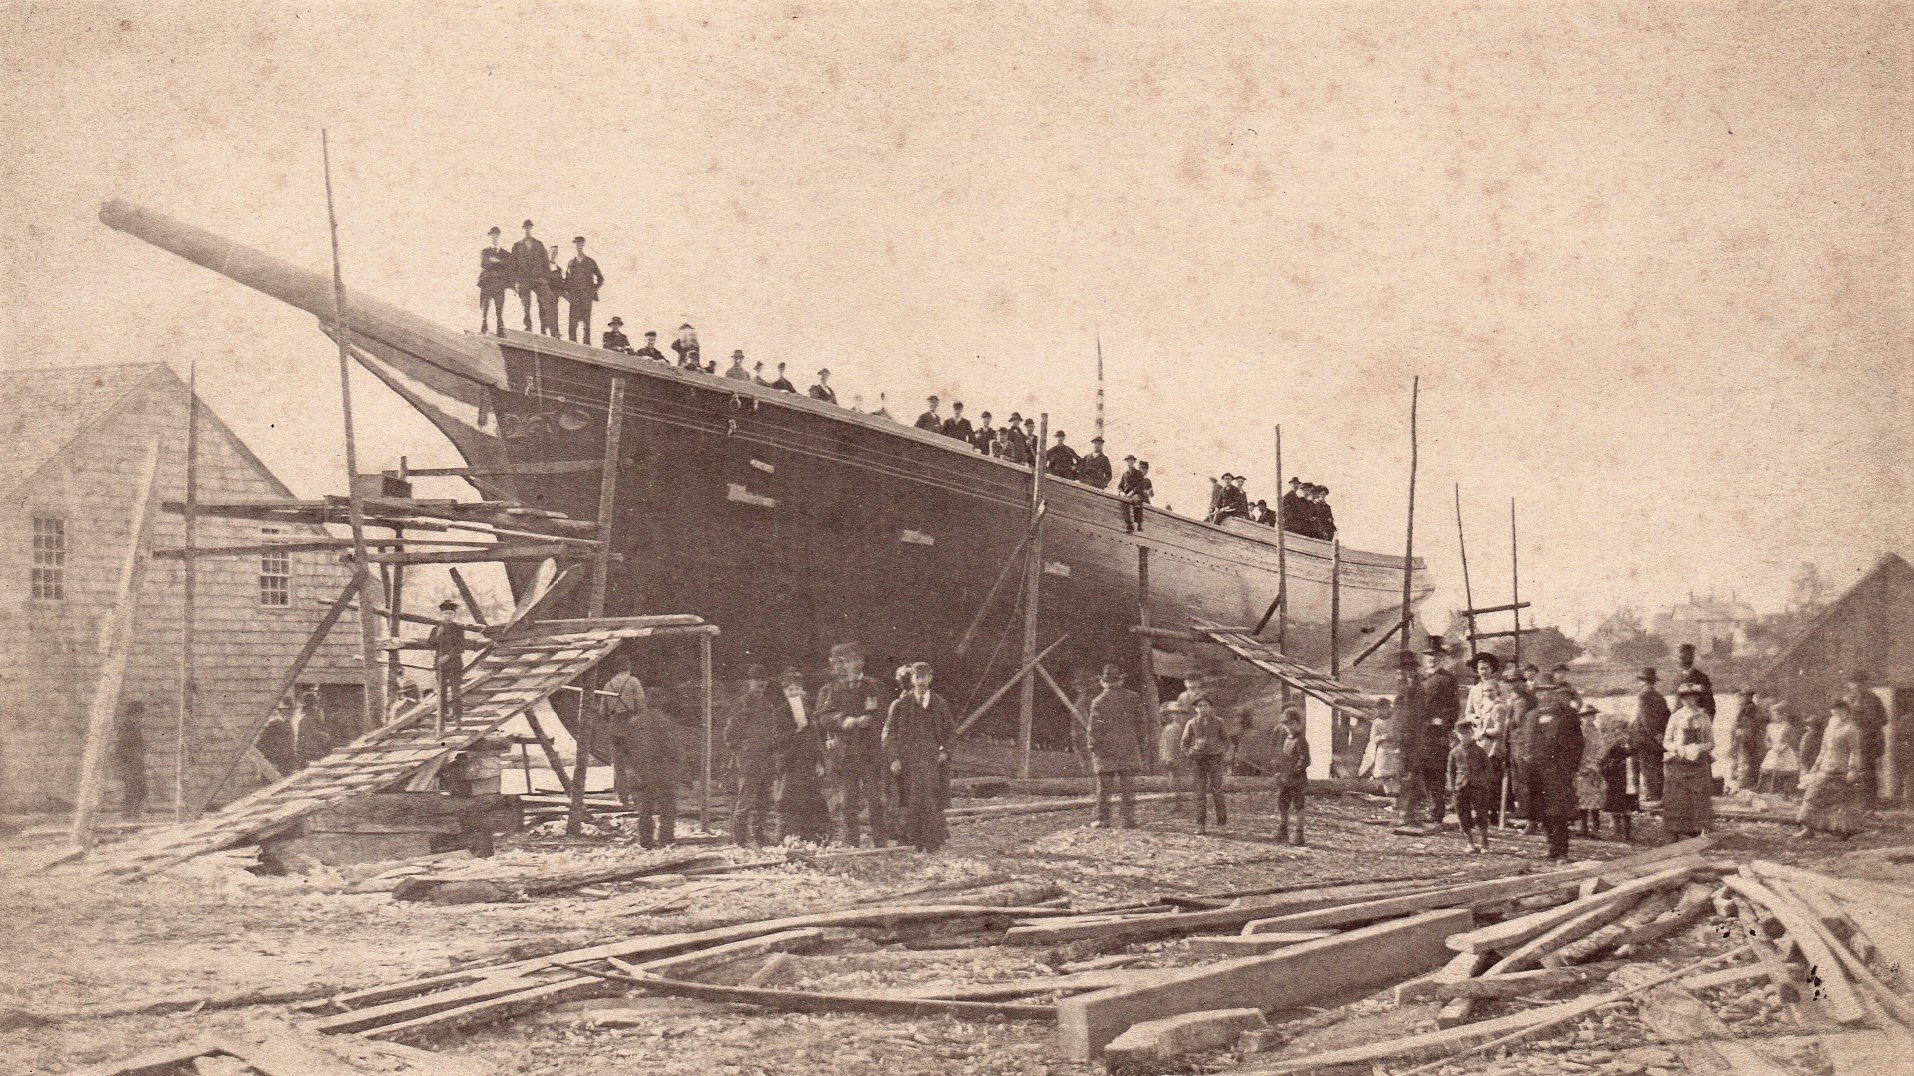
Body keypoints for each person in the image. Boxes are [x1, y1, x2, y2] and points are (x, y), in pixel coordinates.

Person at [814, 641, 890, 846]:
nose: (854, 665)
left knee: (875, 798)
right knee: (849, 800)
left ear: (862, 662)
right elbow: (822, 716)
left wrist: (871, 720)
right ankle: (851, 842)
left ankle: (880, 841)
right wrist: (843, 721)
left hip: (870, 751)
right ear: (842, 664)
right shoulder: (832, 690)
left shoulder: (873, 686)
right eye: (849, 661)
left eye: (858, 660)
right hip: (846, 752)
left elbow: (886, 713)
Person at [884, 662, 953, 852]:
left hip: (932, 759)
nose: (921, 681)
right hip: (909, 760)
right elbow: (890, 735)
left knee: (931, 798)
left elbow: (949, 733)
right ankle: (910, 839)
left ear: (931, 678)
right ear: (912, 679)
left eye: (925, 677)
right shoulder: (901, 705)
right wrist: (894, 758)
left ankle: (932, 841)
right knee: (910, 798)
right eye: (917, 677)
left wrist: (944, 751)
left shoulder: (939, 703)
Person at [725, 665, 784, 846]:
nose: (761, 684)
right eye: (756, 680)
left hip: (766, 759)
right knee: (745, 801)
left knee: (764, 801)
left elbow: (773, 732)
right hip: (749, 759)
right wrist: (741, 754)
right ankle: (740, 841)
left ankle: (759, 836)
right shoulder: (742, 704)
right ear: (749, 682)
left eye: (763, 680)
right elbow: (730, 734)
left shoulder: (767, 705)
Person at [621, 675, 679, 850]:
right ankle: (666, 840)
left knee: (645, 808)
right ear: (661, 702)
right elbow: (673, 749)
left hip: (642, 771)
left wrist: (632, 769)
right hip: (662, 771)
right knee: (667, 807)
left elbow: (626, 748)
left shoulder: (634, 722)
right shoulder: (666, 722)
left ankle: (645, 841)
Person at [1528, 683, 1584, 859]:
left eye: (1548, 691)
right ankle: (1551, 847)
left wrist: (1570, 768)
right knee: (1542, 809)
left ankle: (1562, 850)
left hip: (1558, 770)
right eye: (1540, 691)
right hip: (1536, 770)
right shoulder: (1533, 715)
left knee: (1558, 810)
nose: (1544, 695)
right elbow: (1528, 743)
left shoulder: (1568, 715)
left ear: (1554, 693)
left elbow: (1577, 744)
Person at [777, 667, 832, 844]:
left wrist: (820, 761)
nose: (794, 693)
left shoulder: (807, 712)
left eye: (796, 689)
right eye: (789, 689)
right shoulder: (780, 713)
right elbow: (778, 740)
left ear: (802, 690)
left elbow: (815, 737)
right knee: (790, 800)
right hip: (791, 763)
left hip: (808, 762)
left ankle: (813, 837)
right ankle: (788, 838)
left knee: (813, 800)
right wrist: (796, 731)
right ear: (785, 692)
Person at [1796, 700, 1866, 839]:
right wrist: (1815, 766)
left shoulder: (1851, 729)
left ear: (1846, 712)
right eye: (1834, 711)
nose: (1836, 714)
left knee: (1841, 802)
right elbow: (1823, 749)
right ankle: (1808, 828)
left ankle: (1842, 831)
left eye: (1840, 711)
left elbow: (1854, 751)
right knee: (1813, 796)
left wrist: (1852, 769)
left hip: (1841, 770)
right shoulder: (1830, 727)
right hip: (1825, 768)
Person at [1089, 664, 1148, 829]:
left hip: (1106, 749)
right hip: (1128, 747)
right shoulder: (1133, 697)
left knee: (1104, 787)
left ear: (1103, 682)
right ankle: (1128, 819)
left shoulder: (1098, 701)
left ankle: (1103, 819)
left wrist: (1094, 747)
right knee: (1128, 786)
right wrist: (1140, 744)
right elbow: (1141, 724)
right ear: (1121, 680)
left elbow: (1094, 727)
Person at [1661, 682, 1715, 840]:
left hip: (1698, 763)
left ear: (1696, 698)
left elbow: (1711, 743)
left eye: (1691, 697)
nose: (1688, 701)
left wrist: (1699, 748)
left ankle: (1696, 830)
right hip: (1679, 762)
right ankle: (1674, 830)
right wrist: (1678, 748)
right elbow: (1666, 742)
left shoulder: (1703, 717)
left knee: (1697, 798)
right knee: (1678, 797)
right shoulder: (1675, 717)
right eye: (1684, 698)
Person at [1416, 639, 1460, 823]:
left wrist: (1442, 723)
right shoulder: (1420, 679)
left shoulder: (1447, 679)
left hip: (1436, 733)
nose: (1431, 659)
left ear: (1441, 657)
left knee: (1436, 771)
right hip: (1420, 733)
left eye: (1435, 656)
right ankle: (1431, 806)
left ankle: (1436, 811)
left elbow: (1453, 707)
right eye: (1428, 656)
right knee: (1424, 770)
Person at [600, 651, 649, 807]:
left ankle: (622, 798)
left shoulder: (608, 685)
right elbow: (641, 706)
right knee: (635, 761)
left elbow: (602, 712)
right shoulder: (633, 682)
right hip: (631, 725)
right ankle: (637, 797)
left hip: (615, 726)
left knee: (618, 764)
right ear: (629, 666)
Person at [1177, 695, 1230, 833]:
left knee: (1217, 791)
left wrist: (1221, 752)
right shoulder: (1191, 723)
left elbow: (1226, 741)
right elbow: (1184, 742)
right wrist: (1189, 753)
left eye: (1205, 706)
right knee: (1199, 793)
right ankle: (1200, 825)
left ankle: (1222, 825)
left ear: (1210, 707)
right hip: (1198, 761)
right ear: (1195, 709)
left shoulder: (1218, 722)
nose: (1203, 709)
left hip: (1214, 760)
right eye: (1200, 706)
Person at [1393, 650, 1432, 824]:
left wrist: (1405, 734)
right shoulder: (1405, 687)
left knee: (1411, 774)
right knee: (1405, 774)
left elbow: (1415, 714)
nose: (1400, 672)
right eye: (1401, 669)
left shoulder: (1415, 688)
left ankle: (1408, 813)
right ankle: (1406, 812)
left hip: (1412, 737)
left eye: (1404, 669)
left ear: (1411, 671)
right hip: (1404, 736)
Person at [1447, 717, 1492, 853]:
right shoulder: (1454, 752)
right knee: (1463, 814)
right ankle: (1469, 842)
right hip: (1461, 786)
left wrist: (1484, 783)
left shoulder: (1479, 751)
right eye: (1461, 734)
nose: (1464, 736)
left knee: (1481, 814)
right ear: (1457, 735)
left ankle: (1484, 842)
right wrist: (1453, 786)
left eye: (1467, 733)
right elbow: (1451, 771)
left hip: (1478, 786)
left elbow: (1488, 769)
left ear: (1472, 733)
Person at [1842, 672, 1889, 803]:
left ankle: (1869, 802)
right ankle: (1851, 801)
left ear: (1865, 684)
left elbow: (1884, 720)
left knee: (1867, 771)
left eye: (1860, 683)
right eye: (1853, 683)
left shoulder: (1873, 699)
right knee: (1848, 769)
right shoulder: (1846, 699)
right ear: (1849, 685)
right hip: (1849, 740)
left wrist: (1864, 724)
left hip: (1868, 741)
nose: (1856, 686)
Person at [1633, 667, 1671, 805]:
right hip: (1658, 737)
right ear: (1654, 682)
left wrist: (1654, 735)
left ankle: (1653, 797)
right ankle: (1657, 796)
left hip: (1645, 737)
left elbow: (1645, 719)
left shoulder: (1642, 695)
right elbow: (1667, 716)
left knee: (1648, 768)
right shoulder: (1660, 697)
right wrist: (1662, 735)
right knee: (1656, 767)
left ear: (1643, 681)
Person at [1599, 708, 1638, 842]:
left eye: (1626, 733)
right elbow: (1603, 764)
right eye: (1620, 733)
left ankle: (1627, 834)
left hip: (1630, 782)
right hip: (1616, 782)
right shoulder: (1614, 748)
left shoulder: (1633, 747)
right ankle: (1617, 831)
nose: (1623, 736)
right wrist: (1612, 768)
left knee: (1628, 808)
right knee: (1616, 808)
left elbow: (1637, 762)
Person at [1274, 707, 1310, 846]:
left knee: (1298, 805)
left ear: (1298, 724)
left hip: (1297, 780)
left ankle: (1299, 833)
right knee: (1282, 804)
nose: (1289, 727)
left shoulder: (1301, 740)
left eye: (1291, 724)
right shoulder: (1287, 739)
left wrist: (1295, 770)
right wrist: (1279, 770)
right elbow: (1283, 758)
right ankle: (1283, 830)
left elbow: (1305, 760)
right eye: (1286, 724)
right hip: (1285, 779)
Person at [428, 598, 467, 728]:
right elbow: (430, 644)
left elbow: (461, 647)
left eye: (450, 613)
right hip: (441, 666)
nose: (448, 616)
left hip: (454, 665)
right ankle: (442, 721)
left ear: (454, 615)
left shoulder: (458, 629)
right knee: (442, 693)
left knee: (456, 693)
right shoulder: (436, 629)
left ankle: (458, 720)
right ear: (442, 614)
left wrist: (448, 656)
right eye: (446, 613)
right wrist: (437, 636)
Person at [1574, 703, 1608, 837]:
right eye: (1586, 716)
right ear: (1582, 717)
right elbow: (1575, 750)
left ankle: (1596, 828)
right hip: (1581, 767)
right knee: (1582, 798)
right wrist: (1581, 764)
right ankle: (1583, 827)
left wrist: (1595, 762)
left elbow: (1601, 749)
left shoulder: (1597, 732)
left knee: (1595, 799)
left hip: (1593, 767)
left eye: (1591, 716)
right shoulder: (1579, 731)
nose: (1589, 718)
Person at [1757, 700, 1802, 796]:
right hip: (1774, 750)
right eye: (1773, 714)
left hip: (1784, 751)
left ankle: (1785, 792)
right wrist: (1771, 747)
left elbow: (1791, 740)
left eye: (1776, 714)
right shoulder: (1770, 726)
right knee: (1766, 769)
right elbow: (1767, 740)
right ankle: (1764, 790)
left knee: (1784, 771)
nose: (1774, 716)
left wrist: (1782, 748)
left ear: (1781, 715)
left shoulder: (1787, 726)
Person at [563, 236, 603, 344]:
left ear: (583, 245)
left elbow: (600, 278)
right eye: (577, 244)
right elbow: (567, 280)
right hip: (575, 297)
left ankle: (586, 345)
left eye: (580, 244)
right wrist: (567, 293)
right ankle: (572, 344)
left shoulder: (590, 262)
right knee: (572, 324)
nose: (578, 247)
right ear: (574, 246)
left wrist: (592, 290)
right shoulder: (571, 263)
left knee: (586, 324)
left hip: (586, 296)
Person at [511, 220, 546, 332]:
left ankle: (543, 329)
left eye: (529, 227)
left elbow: (545, 262)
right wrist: (515, 281)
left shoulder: (539, 244)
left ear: (531, 228)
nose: (527, 229)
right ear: (523, 229)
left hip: (537, 279)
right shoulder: (517, 246)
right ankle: (528, 327)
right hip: (523, 279)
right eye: (526, 227)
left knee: (543, 302)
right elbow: (513, 264)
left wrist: (545, 278)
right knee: (526, 304)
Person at [1158, 699, 1192, 813]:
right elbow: (1165, 744)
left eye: (1175, 713)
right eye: (1169, 714)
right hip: (1168, 756)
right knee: (1171, 779)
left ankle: (1177, 802)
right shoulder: (1169, 727)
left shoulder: (1175, 728)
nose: (1172, 715)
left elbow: (1173, 745)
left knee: (1174, 780)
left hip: (1172, 757)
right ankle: (1175, 801)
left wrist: (1170, 758)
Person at [115, 701, 148, 816]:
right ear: (131, 715)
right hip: (129, 764)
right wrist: (132, 758)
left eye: (140, 716)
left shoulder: (135, 728)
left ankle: (135, 812)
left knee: (141, 789)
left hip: (136, 764)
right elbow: (121, 748)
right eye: (138, 716)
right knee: (132, 789)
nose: (140, 718)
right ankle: (128, 813)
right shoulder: (126, 729)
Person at [1731, 689, 1767, 793]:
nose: (1741, 698)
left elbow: (1748, 724)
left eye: (1744, 696)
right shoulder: (1748, 708)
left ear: (1749, 697)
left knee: (1747, 760)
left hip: (1748, 738)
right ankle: (1747, 782)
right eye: (1742, 696)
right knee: (1749, 760)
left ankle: (1745, 782)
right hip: (1748, 738)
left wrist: (1739, 732)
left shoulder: (1748, 708)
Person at [478, 226, 511, 336]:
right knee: (485, 306)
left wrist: (495, 260)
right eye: (492, 235)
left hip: (499, 284)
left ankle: (500, 331)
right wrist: (499, 262)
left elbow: (507, 265)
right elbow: (484, 263)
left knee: (499, 309)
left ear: (499, 236)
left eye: (496, 234)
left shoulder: (505, 253)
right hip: (487, 282)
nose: (494, 237)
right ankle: (484, 327)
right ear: (490, 236)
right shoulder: (485, 251)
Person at [1672, 644, 1716, 718]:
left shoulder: (1702, 678)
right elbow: (1677, 703)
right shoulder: (1677, 679)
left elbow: (1710, 706)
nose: (1681, 659)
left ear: (1691, 658)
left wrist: (1706, 724)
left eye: (1685, 656)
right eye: (1680, 657)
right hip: (1680, 722)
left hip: (1698, 721)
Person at [1117, 455, 1151, 533]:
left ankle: (1139, 523)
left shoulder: (1138, 473)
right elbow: (1119, 486)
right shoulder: (1125, 474)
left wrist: (1131, 493)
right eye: (1128, 461)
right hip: (1125, 494)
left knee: (1137, 500)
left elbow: (1140, 486)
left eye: (1131, 461)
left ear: (1134, 462)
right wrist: (1121, 492)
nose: (1130, 463)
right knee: (1124, 503)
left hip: (1135, 493)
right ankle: (1129, 524)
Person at [536, 243, 565, 337]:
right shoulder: (542, 265)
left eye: (556, 253)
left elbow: (560, 283)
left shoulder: (558, 268)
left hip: (554, 294)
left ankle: (554, 334)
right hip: (544, 293)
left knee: (554, 314)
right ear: (548, 253)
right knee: (543, 313)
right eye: (552, 252)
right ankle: (543, 333)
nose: (554, 254)